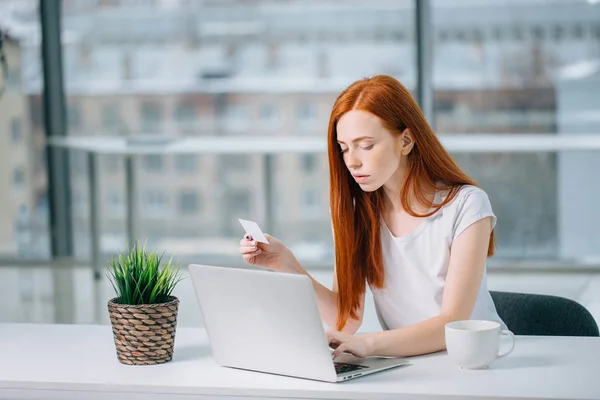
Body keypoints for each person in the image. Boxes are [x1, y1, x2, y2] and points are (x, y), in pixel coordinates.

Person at [239, 75, 505, 360]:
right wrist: (286, 264)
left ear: (405, 141)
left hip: (478, 361)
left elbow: (453, 324)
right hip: (408, 364)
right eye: (344, 148)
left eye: (366, 145)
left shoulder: (466, 204)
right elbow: (347, 319)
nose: (352, 161)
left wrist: (369, 344)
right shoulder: (355, 211)